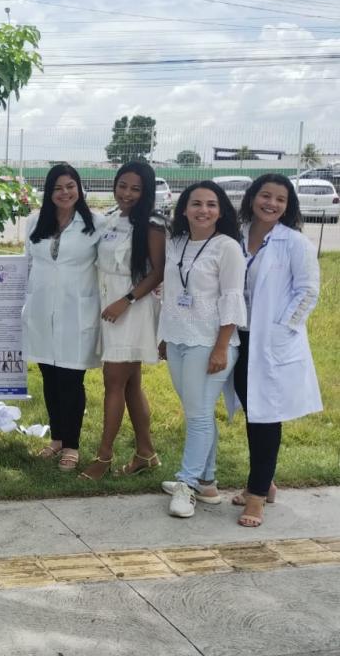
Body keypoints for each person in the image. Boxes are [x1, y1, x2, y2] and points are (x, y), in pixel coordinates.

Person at [229, 174, 322, 527]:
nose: (271, 203)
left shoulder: (294, 242)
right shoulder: (234, 234)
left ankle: (255, 498)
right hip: (238, 336)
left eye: (280, 199)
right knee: (254, 412)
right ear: (252, 197)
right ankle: (265, 482)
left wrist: (281, 330)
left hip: (271, 341)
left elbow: (308, 291)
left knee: (266, 416)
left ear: (288, 205)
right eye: (265, 195)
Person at [158, 181, 246, 518]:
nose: (203, 210)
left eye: (211, 204)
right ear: (184, 209)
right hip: (178, 338)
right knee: (200, 411)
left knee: (196, 415)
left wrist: (222, 348)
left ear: (221, 211)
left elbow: (232, 299)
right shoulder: (177, 242)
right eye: (196, 203)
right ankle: (207, 483)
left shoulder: (227, 247)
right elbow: (171, 292)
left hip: (210, 343)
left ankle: (187, 483)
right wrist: (165, 335)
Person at [80, 161, 165, 480]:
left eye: (135, 188)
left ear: (146, 192)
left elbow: (157, 271)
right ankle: (146, 452)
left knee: (114, 382)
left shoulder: (153, 224)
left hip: (132, 309)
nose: (127, 193)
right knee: (130, 384)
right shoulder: (112, 218)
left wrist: (125, 301)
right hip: (109, 304)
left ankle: (103, 457)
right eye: (122, 186)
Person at [22, 163, 100, 472]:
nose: (65, 193)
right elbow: (26, 265)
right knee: (49, 377)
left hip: (76, 312)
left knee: (71, 379)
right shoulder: (34, 223)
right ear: (49, 193)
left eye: (70, 186)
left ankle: (72, 445)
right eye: (57, 188)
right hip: (41, 310)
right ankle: (56, 438)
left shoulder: (96, 224)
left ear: (79, 188)